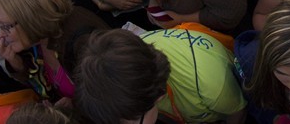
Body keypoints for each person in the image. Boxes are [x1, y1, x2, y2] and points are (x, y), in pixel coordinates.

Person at [73, 28, 246, 124]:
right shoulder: (130, 59)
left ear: (158, 96)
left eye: (131, 121)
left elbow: (237, 113)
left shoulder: (212, 82)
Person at [0, 0, 108, 101]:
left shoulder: (81, 39)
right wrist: (17, 63)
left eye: (5, 26)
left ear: (28, 18)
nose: (1, 34)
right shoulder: (35, 42)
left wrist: (74, 108)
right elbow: (40, 84)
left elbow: (106, 98)